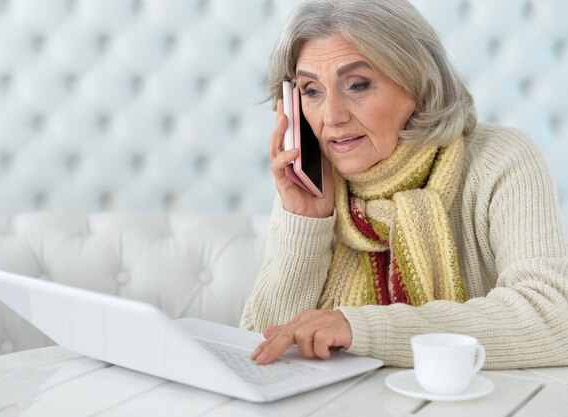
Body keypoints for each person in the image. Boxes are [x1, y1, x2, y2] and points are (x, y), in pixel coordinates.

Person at [240, 0, 568, 369]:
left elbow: (554, 318)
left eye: (357, 85)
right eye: (311, 91)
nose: (331, 116)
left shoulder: (502, 159)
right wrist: (306, 223)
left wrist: (360, 328)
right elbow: (259, 345)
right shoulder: (313, 183)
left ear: (417, 84)